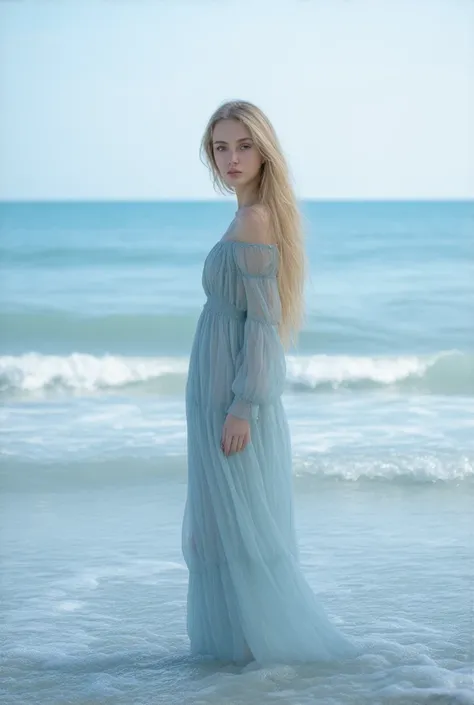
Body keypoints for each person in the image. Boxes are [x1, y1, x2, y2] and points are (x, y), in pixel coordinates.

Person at [181, 99, 357, 665]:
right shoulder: (247, 213)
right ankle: (239, 660)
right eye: (220, 147)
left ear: (264, 150)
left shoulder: (255, 219)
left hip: (231, 394)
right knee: (221, 526)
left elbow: (262, 322)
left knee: (241, 528)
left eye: (243, 145)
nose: (231, 158)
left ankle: (261, 660)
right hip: (217, 389)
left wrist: (242, 404)